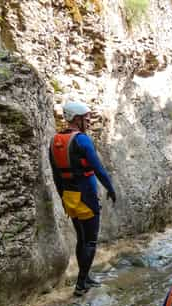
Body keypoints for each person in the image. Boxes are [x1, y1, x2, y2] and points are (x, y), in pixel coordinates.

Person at [49, 101, 117, 296]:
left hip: (69, 197)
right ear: (76, 119)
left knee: (82, 239)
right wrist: (111, 189)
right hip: (86, 197)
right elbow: (98, 169)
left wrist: (62, 198)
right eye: (86, 118)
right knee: (91, 242)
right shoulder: (82, 140)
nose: (88, 121)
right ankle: (81, 284)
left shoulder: (55, 141)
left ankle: (85, 277)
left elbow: (56, 174)